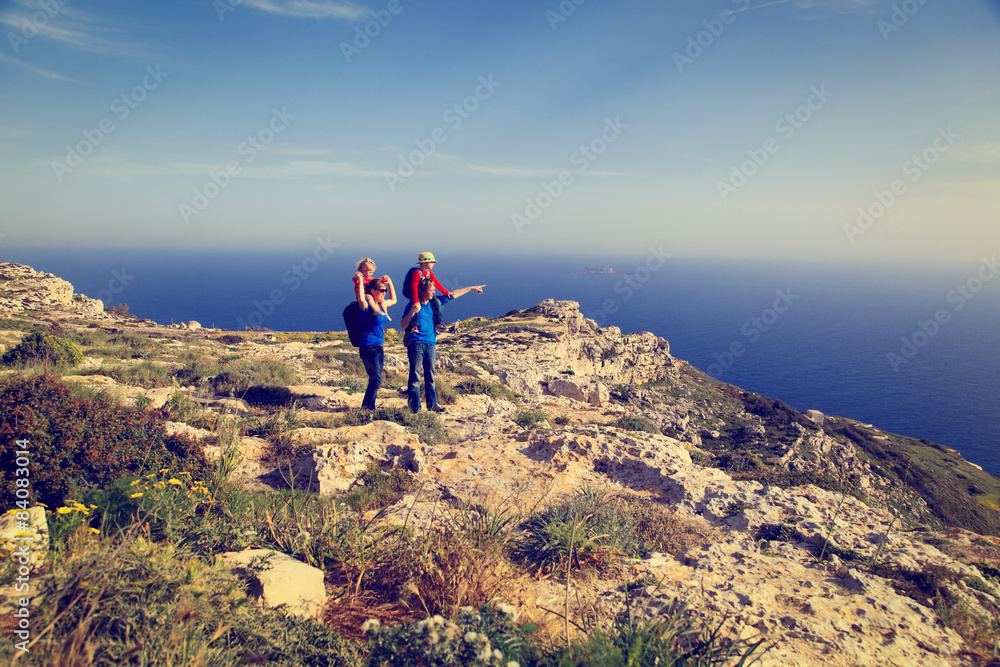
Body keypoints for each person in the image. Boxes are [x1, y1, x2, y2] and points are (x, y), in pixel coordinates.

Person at [400, 277, 484, 413]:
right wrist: (412, 312)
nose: (434, 293)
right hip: (416, 344)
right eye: (431, 290)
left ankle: (433, 406)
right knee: (415, 377)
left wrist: (471, 288)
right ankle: (414, 408)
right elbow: (403, 325)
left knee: (430, 376)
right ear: (422, 291)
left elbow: (453, 294)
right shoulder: (412, 305)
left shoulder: (434, 303)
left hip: (431, 344)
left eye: (434, 290)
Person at [356, 276, 396, 410]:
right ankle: (367, 409)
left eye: (385, 290)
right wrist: (361, 281)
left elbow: (394, 300)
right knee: (376, 380)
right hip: (368, 346)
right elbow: (361, 298)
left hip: (378, 346)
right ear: (372, 291)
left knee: (375, 380)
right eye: (381, 290)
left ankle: (368, 407)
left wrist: (390, 283)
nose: (384, 292)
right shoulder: (367, 305)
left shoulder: (381, 305)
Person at [406, 251, 451, 330]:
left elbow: (436, 283)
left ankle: (438, 323)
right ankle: (415, 326)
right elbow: (414, 287)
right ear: (424, 263)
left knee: (437, 302)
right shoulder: (416, 273)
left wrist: (445, 292)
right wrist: (415, 300)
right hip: (416, 295)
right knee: (416, 309)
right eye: (431, 262)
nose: (433, 264)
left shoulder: (429, 272)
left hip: (424, 294)